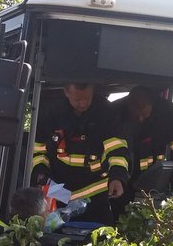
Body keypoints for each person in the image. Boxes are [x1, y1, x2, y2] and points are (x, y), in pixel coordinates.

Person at [31, 82, 130, 224]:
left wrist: (118, 177)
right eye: (77, 100)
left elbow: (116, 148)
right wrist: (40, 172)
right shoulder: (51, 113)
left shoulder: (106, 112)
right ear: (66, 92)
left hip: (95, 194)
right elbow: (38, 149)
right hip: (58, 193)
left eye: (87, 98)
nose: (83, 104)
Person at [113, 86, 173, 208]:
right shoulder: (116, 114)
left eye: (144, 115)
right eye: (137, 116)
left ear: (152, 106)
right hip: (123, 184)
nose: (140, 120)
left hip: (155, 185)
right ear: (129, 107)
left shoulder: (167, 114)